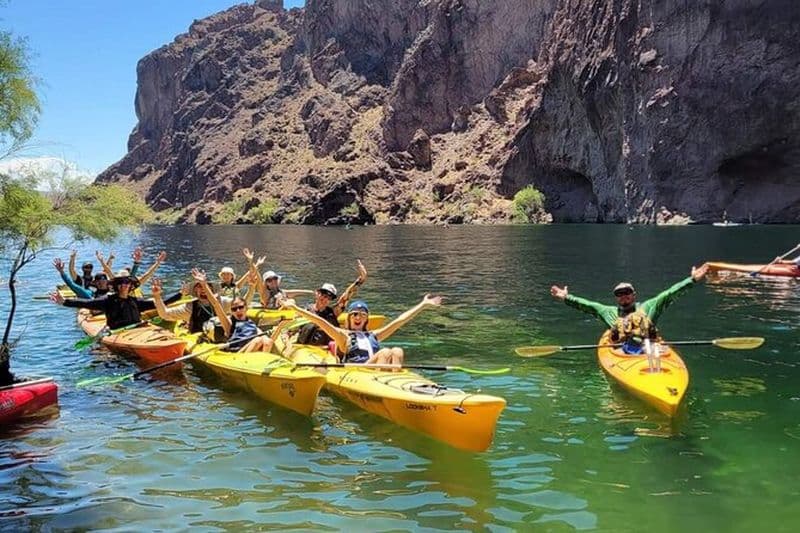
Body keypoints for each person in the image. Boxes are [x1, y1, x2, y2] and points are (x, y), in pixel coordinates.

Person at [550, 264, 709, 354]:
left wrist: (692, 280)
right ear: (616, 298)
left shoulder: (648, 307)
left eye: (627, 293)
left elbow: (670, 293)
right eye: (619, 294)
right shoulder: (608, 312)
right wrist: (566, 297)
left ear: (634, 295)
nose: (623, 296)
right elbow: (586, 305)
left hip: (650, 347)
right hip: (622, 352)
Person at [283, 294, 443, 366]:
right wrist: (296, 308)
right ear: (349, 318)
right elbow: (320, 322)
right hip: (358, 371)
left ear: (366, 319)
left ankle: (396, 383)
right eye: (355, 314)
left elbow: (399, 321)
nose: (358, 317)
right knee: (385, 352)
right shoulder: (343, 336)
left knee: (397, 351)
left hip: (379, 369)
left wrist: (423, 305)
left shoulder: (373, 335)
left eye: (362, 315)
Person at [52, 270, 182, 329]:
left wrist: (181, 294)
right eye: (121, 282)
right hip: (119, 333)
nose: (124, 285)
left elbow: (162, 304)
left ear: (130, 285)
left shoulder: (135, 301)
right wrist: (65, 302)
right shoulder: (107, 301)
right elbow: (87, 303)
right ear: (116, 286)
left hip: (138, 329)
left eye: (127, 282)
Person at [191, 269, 271, 352]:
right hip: (238, 354)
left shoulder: (251, 323)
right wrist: (204, 284)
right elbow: (216, 304)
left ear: (246, 308)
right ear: (231, 311)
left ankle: (265, 358)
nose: (238, 310)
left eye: (241, 307)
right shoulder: (229, 324)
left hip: (252, 350)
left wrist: (252, 286)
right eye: (234, 309)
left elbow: (262, 335)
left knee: (267, 341)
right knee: (257, 340)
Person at [294, 260, 368, 346]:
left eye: (329, 298)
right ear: (317, 294)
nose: (325, 299)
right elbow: (293, 329)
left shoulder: (333, 312)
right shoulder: (305, 311)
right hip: (306, 349)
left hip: (328, 349)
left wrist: (361, 280)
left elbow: (346, 296)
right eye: (323, 295)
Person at [150, 277, 216, 334]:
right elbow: (165, 314)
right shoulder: (189, 307)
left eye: (207, 286)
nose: (203, 289)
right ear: (195, 289)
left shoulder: (221, 301)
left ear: (212, 289)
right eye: (200, 286)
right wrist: (157, 296)